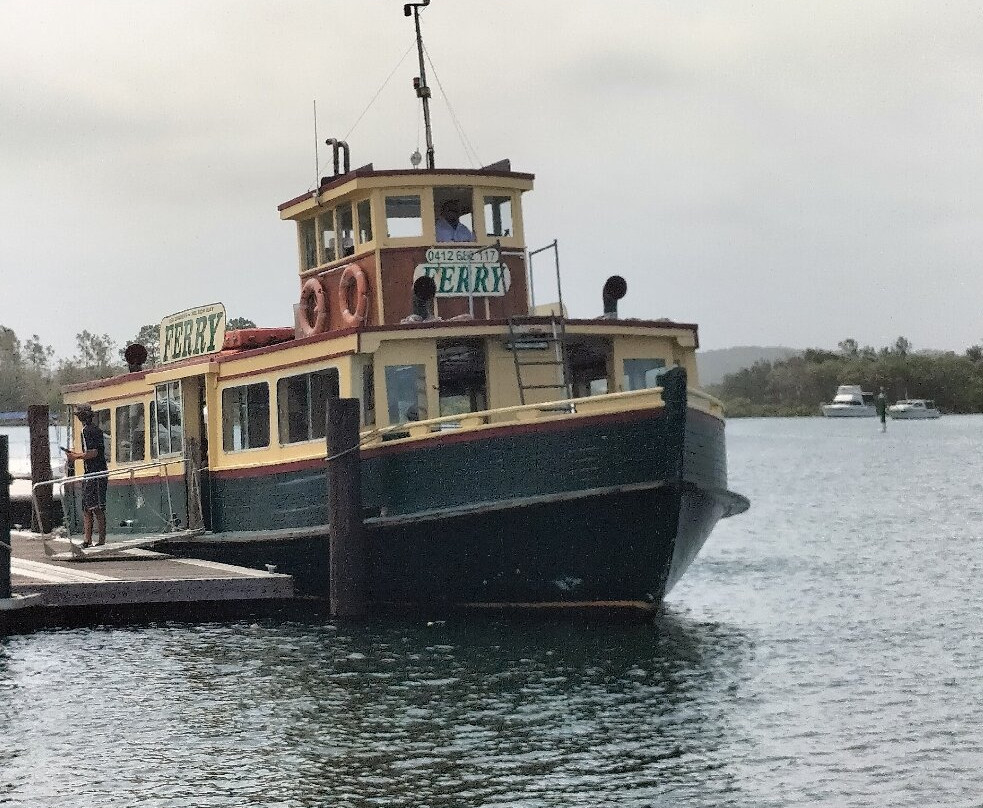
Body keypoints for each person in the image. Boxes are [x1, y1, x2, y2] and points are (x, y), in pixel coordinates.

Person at [63, 403, 108, 547]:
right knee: (92, 507)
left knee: (93, 507)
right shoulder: (97, 430)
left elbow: (92, 453)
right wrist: (76, 455)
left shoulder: (86, 431)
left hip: (93, 473)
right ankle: (92, 539)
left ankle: (93, 540)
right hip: (98, 472)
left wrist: (74, 457)